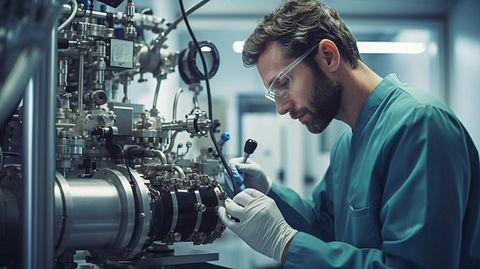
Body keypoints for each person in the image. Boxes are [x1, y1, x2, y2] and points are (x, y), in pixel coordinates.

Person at [217, 0, 480, 268]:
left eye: (283, 84)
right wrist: (269, 191)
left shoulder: (420, 125)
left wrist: (284, 242)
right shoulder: (347, 143)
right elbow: (324, 225)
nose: (281, 108)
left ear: (328, 56)